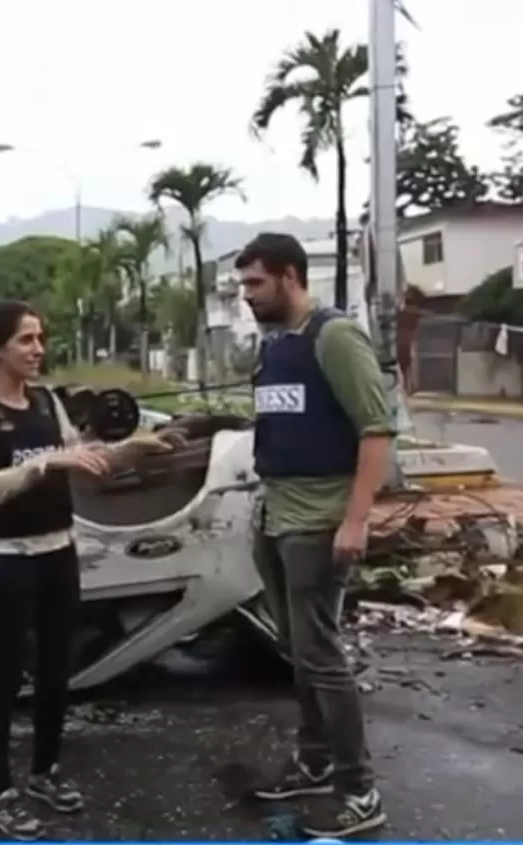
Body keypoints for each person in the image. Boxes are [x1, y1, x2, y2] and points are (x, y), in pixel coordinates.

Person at [0, 300, 178, 841]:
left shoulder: (46, 403)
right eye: (26, 340)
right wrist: (43, 463)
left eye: (40, 338)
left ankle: (43, 772)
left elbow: (84, 459)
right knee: (5, 679)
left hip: (58, 553)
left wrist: (133, 450)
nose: (38, 349)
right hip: (8, 560)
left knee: (57, 670)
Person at [235, 233, 393, 839]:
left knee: (323, 658)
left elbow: (376, 431)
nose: (246, 296)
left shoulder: (335, 336)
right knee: (298, 651)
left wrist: (355, 520)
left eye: (255, 284)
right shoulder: (278, 345)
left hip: (318, 523)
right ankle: (315, 760)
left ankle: (359, 791)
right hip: (276, 516)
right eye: (243, 285)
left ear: (291, 277)